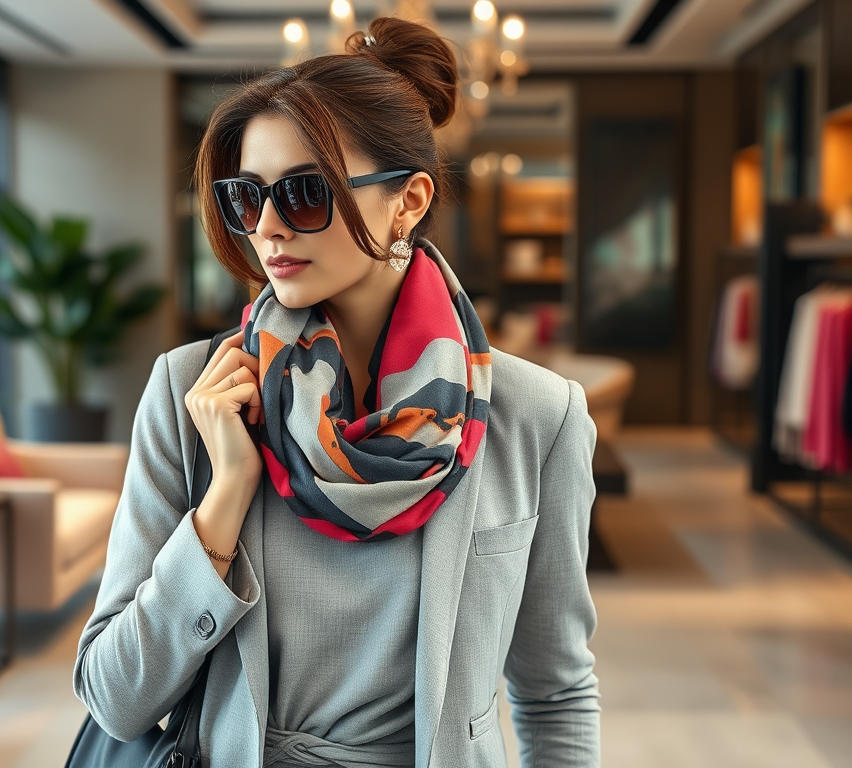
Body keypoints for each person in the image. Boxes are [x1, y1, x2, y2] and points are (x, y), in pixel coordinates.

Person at [73, 16, 600, 768]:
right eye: (246, 198)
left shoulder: (538, 417)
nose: (270, 229)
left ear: (409, 201)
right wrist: (222, 505)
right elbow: (114, 696)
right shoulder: (191, 396)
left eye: (306, 193)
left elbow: (557, 695)